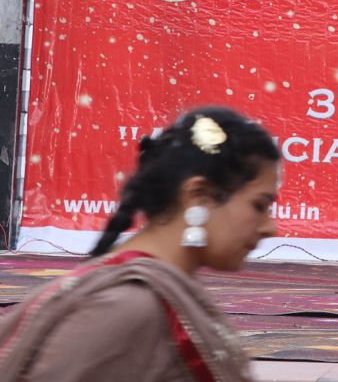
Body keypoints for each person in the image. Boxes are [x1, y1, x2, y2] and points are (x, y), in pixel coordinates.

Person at [0, 107, 280, 381]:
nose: (270, 228)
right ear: (198, 196)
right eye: (259, 205)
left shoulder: (157, 295)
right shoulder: (127, 307)